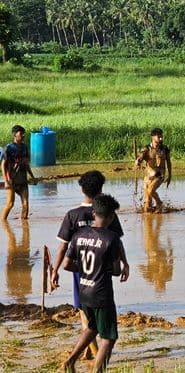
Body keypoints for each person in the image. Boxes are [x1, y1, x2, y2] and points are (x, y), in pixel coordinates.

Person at [51, 170, 125, 361]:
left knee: (86, 314)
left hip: (81, 270)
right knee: (106, 334)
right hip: (101, 273)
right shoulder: (108, 212)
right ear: (101, 189)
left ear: (82, 188)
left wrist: (54, 270)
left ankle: (87, 350)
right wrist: (123, 263)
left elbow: (63, 247)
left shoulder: (72, 215)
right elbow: (117, 243)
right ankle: (93, 350)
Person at [60, 194, 129, 373]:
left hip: (84, 290)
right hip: (101, 294)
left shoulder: (79, 235)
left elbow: (66, 265)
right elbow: (115, 271)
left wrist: (84, 269)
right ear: (111, 217)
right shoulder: (111, 239)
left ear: (94, 214)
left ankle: (69, 362)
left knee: (92, 327)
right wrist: (116, 267)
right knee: (108, 338)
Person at [2, 125, 37, 220]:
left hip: (22, 180)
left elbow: (26, 164)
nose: (23, 136)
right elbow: (3, 165)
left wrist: (32, 176)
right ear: (14, 135)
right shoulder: (9, 148)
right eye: (21, 134)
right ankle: (3, 222)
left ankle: (25, 228)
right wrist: (6, 180)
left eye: (23, 134)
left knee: (25, 204)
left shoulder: (25, 147)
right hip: (11, 180)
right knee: (10, 204)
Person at [135, 128, 172, 212]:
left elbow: (169, 162)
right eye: (159, 137)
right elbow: (140, 158)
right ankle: (149, 221)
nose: (161, 139)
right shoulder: (146, 149)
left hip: (159, 174)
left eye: (162, 136)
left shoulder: (164, 149)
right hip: (149, 175)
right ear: (153, 137)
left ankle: (159, 203)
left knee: (151, 190)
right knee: (147, 205)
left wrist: (170, 175)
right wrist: (138, 161)